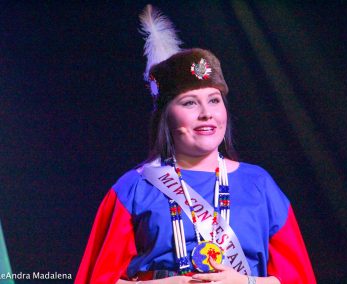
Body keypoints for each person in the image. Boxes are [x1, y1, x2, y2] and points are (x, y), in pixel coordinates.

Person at [75, 5, 316, 284]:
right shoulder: (134, 188)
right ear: (166, 116)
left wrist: (246, 282)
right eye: (190, 103)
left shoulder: (260, 185)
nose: (207, 113)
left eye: (214, 100)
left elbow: (298, 279)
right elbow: (97, 279)